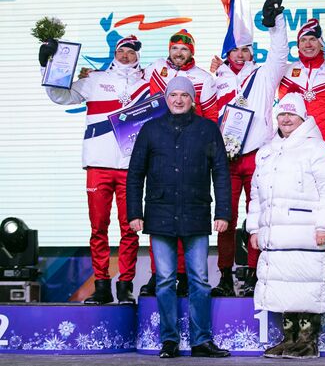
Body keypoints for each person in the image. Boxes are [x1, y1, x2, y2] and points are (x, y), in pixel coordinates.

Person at [126, 76, 231, 358]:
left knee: (199, 280)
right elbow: (135, 174)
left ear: (193, 100)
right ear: (166, 98)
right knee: (164, 281)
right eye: (174, 95)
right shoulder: (150, 129)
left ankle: (201, 341)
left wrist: (223, 212)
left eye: (185, 95)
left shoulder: (208, 129)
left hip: (196, 214)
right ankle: (169, 341)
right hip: (159, 216)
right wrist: (134, 213)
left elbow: (221, 172)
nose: (179, 100)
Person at [40, 35, 149, 305]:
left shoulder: (149, 83)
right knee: (98, 228)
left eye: (130, 52)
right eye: (121, 51)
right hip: (98, 165)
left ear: (138, 55)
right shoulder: (95, 80)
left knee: (130, 229)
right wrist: (48, 65)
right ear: (114, 53)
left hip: (131, 167)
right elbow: (60, 96)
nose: (125, 56)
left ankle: (125, 285)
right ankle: (102, 286)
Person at [247, 93, 325, 358]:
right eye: (282, 114)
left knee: (307, 285)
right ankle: (288, 340)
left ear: (303, 118)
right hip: (276, 236)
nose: (286, 119)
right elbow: (256, 194)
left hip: (306, 231)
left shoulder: (317, 148)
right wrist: (254, 228)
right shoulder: (266, 151)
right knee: (282, 288)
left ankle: (307, 342)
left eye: (292, 114)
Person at [209, 0, 288, 297]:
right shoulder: (216, 78)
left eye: (246, 49)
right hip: (226, 161)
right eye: (235, 50)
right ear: (227, 53)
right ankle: (226, 275)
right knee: (225, 219)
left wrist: (277, 20)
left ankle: (255, 273)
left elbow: (280, 52)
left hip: (257, 157)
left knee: (257, 218)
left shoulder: (266, 74)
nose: (240, 55)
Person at [139, 29, 218, 298]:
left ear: (192, 52)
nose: (179, 53)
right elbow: (126, 79)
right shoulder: (154, 68)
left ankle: (183, 276)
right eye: (175, 49)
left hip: (188, 152)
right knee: (158, 219)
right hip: (155, 149)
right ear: (169, 50)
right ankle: (156, 274)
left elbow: (211, 117)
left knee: (186, 221)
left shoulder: (204, 79)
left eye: (184, 49)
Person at [278, 18, 325, 294]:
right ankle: (297, 273)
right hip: (292, 155)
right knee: (293, 214)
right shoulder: (286, 72)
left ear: (321, 43)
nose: (307, 44)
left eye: (312, 39)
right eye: (302, 40)